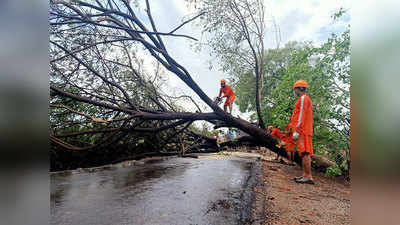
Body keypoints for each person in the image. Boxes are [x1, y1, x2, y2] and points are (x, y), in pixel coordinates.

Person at [289, 80, 314, 184]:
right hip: (302, 130)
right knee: (303, 153)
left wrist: (297, 130)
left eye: (294, 89)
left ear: (299, 88)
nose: (294, 91)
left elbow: (301, 115)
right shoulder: (303, 99)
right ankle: (305, 175)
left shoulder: (303, 98)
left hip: (302, 131)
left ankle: (308, 176)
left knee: (305, 152)